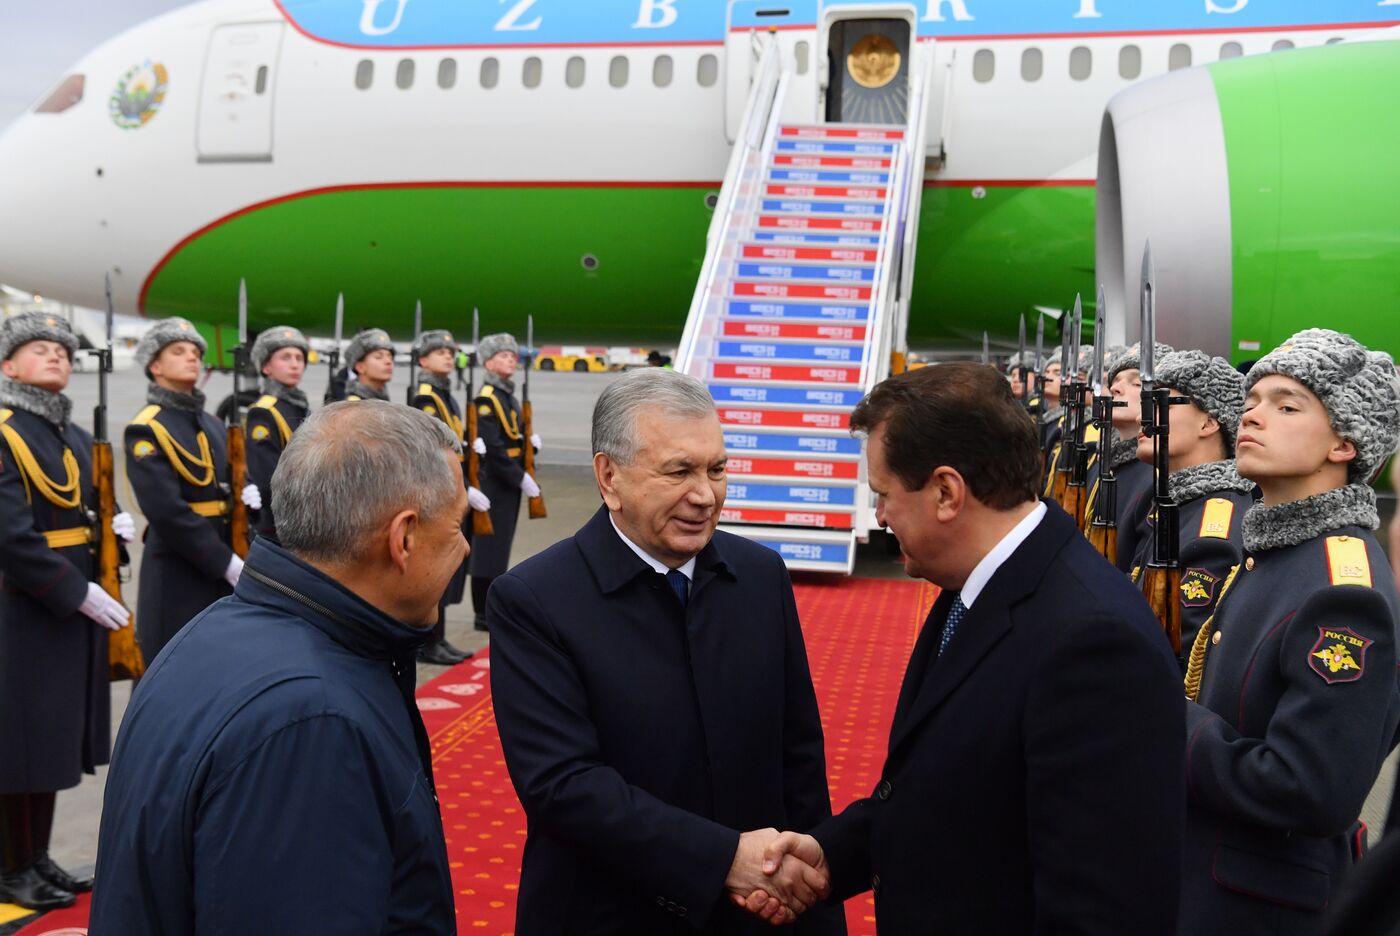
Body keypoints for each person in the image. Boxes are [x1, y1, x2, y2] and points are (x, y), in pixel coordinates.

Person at [751, 362, 1184, 934]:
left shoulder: (1093, 643)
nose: (878, 516)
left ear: (947, 492)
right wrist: (831, 855)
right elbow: (950, 796)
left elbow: (1101, 907)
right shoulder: (980, 584)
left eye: (883, 494)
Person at [488, 368, 844, 934]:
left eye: (717, 469)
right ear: (609, 477)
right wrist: (724, 859)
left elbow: (797, 754)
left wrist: (814, 898)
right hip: (609, 914)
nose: (705, 495)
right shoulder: (535, 598)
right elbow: (563, 785)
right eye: (678, 471)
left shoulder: (760, 575)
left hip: (761, 915)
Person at [89, 401, 463, 932]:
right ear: (402, 538)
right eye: (454, 529)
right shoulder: (312, 721)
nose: (465, 547)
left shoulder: (215, 629)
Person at [1179, 329, 1400, 936]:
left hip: (1257, 906)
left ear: (1345, 443)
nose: (1252, 414)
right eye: (1252, 401)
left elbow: (1312, 789)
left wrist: (1175, 724)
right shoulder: (1277, 550)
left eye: (1287, 404)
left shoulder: (1342, 590)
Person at [0, 313, 133, 910]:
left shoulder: (70, 434)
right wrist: (71, 590)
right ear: (7, 366)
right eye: (39, 349)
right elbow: (9, 534)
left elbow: (84, 513)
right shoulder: (5, 430)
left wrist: (115, 532)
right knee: (14, 746)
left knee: (50, 742)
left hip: (62, 608)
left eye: (61, 349)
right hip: (20, 608)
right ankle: (8, 867)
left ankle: (35, 856)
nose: (56, 356)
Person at [125, 318, 253, 665]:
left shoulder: (211, 423)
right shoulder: (147, 427)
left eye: (196, 352)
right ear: (155, 366)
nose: (192, 357)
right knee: (173, 668)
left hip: (222, 560)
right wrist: (223, 562)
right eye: (178, 352)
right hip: (178, 571)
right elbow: (167, 511)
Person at [1126, 350, 1254, 659]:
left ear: (1209, 423)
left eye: (1162, 403)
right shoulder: (1178, 502)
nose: (1144, 416)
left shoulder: (1214, 525)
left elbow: (1178, 650)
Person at [410, 327, 489, 665]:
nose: (448, 356)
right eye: (439, 352)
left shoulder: (447, 394)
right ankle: (429, 641)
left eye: (450, 352)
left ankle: (438, 638)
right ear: (423, 359)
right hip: (439, 486)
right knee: (436, 561)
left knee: (450, 563)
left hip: (454, 483)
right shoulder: (427, 395)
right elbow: (431, 448)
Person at [468, 332, 541, 631]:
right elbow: (494, 447)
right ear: (487, 362)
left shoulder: (507, 395)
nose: (510, 359)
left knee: (501, 547)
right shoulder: (487, 399)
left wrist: (530, 447)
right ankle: (482, 613)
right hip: (495, 482)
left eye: (512, 356)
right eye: (502, 356)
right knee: (488, 548)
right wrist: (520, 476)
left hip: (508, 480)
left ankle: (491, 607)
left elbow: (511, 438)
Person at [1096, 341, 1173, 572]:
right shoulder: (1110, 463)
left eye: (1136, 382)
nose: (1116, 389)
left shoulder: (1155, 476)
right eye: (1115, 381)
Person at [245, 325, 310, 542]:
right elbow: (266, 478)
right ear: (266, 367)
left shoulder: (300, 406)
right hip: (280, 527)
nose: (295, 364)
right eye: (285, 357)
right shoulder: (264, 412)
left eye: (299, 358)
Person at [343, 327, 394, 401]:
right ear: (360, 367)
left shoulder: (381, 399)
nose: (388, 361)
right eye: (378, 357)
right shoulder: (355, 405)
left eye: (390, 357)